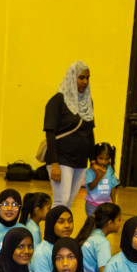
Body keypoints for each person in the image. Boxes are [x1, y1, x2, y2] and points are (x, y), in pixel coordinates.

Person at [40, 61, 95, 209]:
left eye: (87, 78)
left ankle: (63, 232)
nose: (85, 81)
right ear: (72, 78)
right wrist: (54, 164)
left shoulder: (88, 103)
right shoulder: (57, 101)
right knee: (61, 201)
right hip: (61, 159)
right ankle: (52, 232)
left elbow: (89, 132)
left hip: (80, 161)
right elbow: (50, 133)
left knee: (69, 202)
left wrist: (93, 160)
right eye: (81, 77)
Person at [76, 202, 121, 272]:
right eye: (119, 220)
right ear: (110, 223)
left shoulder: (90, 233)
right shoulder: (102, 242)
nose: (120, 223)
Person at [83, 143, 118, 217]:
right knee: (93, 225)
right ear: (95, 157)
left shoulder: (110, 170)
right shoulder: (90, 171)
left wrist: (114, 202)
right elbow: (90, 187)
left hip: (105, 205)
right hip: (92, 205)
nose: (103, 162)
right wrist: (98, 177)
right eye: (101, 158)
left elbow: (113, 186)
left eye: (107, 159)